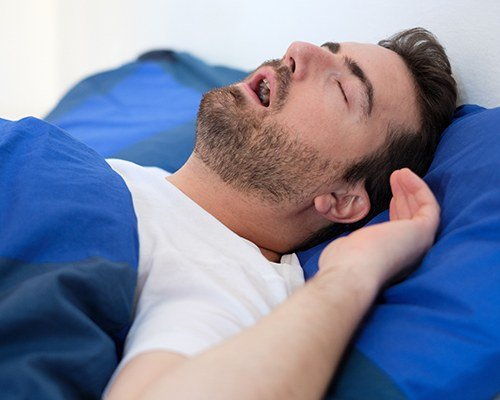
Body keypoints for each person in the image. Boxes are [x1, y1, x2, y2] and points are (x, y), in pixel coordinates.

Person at [105, 27, 457, 399]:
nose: (298, 49)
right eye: (325, 49)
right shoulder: (130, 178)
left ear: (341, 199)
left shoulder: (226, 280)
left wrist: (352, 272)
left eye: (342, 88)